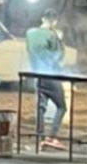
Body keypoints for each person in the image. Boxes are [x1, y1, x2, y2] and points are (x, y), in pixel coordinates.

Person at [26, 9, 67, 150]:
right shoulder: (52, 35)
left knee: (40, 108)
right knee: (62, 107)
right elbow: (59, 56)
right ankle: (52, 137)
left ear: (42, 19)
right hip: (51, 76)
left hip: (37, 76)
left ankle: (40, 138)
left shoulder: (30, 33)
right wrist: (59, 39)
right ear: (54, 22)